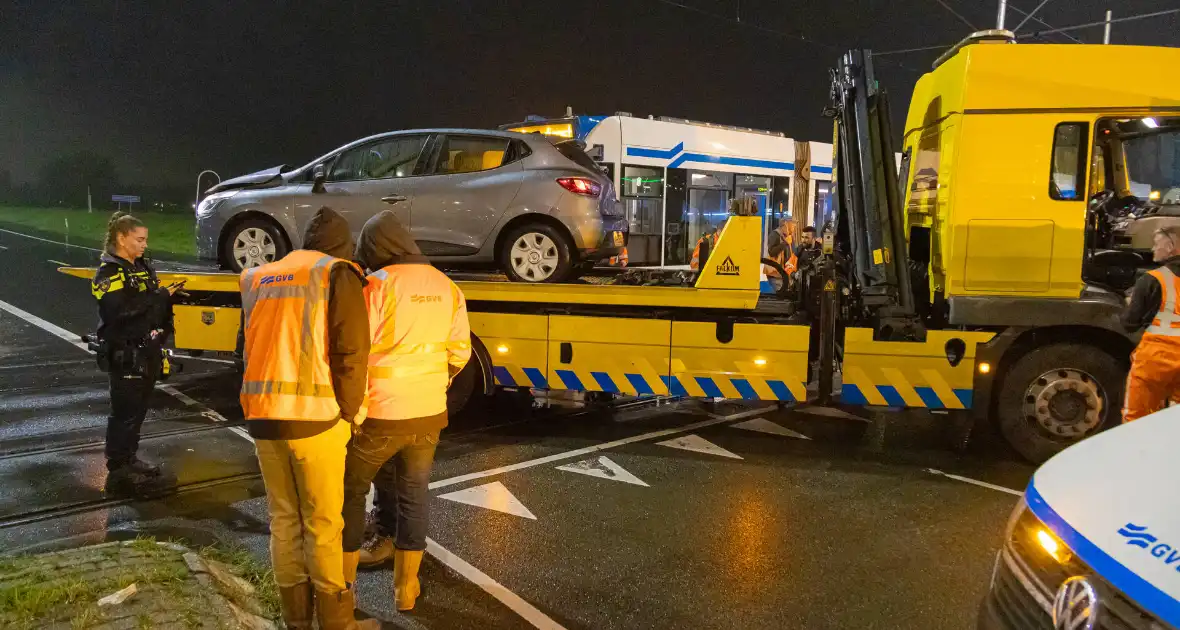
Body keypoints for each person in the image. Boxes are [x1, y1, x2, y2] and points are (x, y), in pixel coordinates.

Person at [239, 207, 376, 630]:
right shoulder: (337, 273)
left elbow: (243, 346)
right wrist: (352, 413)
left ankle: (295, 621)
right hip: (315, 419)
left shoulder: (260, 276)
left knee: (283, 520)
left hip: (262, 417)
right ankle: (338, 623)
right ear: (343, 244)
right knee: (322, 524)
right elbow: (351, 352)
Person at [341, 210, 471, 612]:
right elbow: (460, 352)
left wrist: (354, 410)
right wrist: (436, 382)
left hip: (379, 414)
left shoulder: (375, 286)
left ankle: (342, 592)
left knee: (349, 490)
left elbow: (356, 352)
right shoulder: (446, 286)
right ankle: (406, 589)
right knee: (413, 496)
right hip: (428, 414)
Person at [91, 212, 180, 495]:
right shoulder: (109, 273)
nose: (144, 245)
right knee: (124, 414)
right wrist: (160, 296)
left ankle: (129, 460)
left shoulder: (142, 267)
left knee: (137, 412)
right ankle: (119, 470)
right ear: (121, 238)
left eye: (145, 240)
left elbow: (152, 307)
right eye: (139, 239)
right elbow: (117, 313)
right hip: (125, 353)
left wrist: (164, 327)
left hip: (147, 353)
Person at [1121, 226, 1180, 423]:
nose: (1153, 249)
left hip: (1157, 358)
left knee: (1137, 418)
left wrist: (1131, 303)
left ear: (1171, 247)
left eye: (1156, 244)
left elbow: (1129, 323)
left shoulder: (1152, 279)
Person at [764, 220, 799, 290]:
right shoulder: (774, 235)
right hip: (775, 274)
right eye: (792, 226)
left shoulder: (789, 237)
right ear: (785, 225)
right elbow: (771, 252)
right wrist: (785, 243)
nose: (793, 229)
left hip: (786, 274)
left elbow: (793, 254)